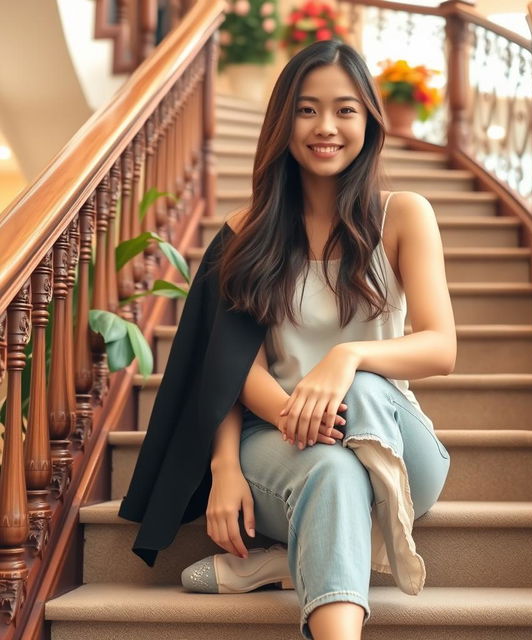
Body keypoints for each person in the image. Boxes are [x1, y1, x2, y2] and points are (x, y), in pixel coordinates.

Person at [180, 39, 455, 640]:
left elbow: (440, 346)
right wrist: (228, 462)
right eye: (306, 109)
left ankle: (304, 549)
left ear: (369, 121)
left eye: (345, 110)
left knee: (362, 388)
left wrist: (347, 357)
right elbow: (230, 367)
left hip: (401, 446)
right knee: (332, 470)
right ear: (283, 120)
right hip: (282, 445)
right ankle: (336, 555)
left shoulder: (405, 215)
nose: (325, 127)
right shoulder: (245, 232)